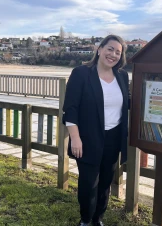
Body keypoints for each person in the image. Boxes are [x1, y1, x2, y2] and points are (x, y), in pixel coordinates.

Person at [62, 34, 130, 226]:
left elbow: (129, 102)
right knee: (89, 183)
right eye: (110, 49)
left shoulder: (122, 76)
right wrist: (75, 138)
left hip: (113, 138)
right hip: (87, 139)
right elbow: (71, 108)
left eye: (118, 52)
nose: (113, 55)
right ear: (99, 50)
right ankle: (85, 220)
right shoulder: (81, 73)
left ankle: (98, 218)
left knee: (105, 183)